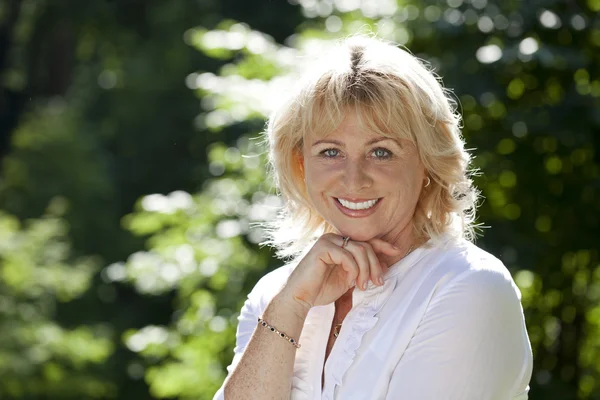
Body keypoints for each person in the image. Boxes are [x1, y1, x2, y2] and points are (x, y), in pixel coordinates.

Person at [213, 35, 533, 400]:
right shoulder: (277, 293)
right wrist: (292, 305)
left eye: (381, 152)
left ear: (428, 162)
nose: (353, 179)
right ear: (301, 163)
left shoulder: (470, 287)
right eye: (330, 151)